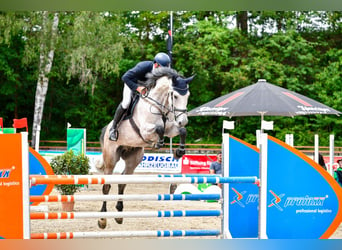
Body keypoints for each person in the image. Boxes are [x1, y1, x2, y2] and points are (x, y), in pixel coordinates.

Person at [109, 52, 171, 141]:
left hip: (147, 87)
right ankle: (113, 128)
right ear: (156, 65)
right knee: (126, 103)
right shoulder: (143, 67)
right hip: (131, 83)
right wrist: (137, 88)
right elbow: (125, 77)